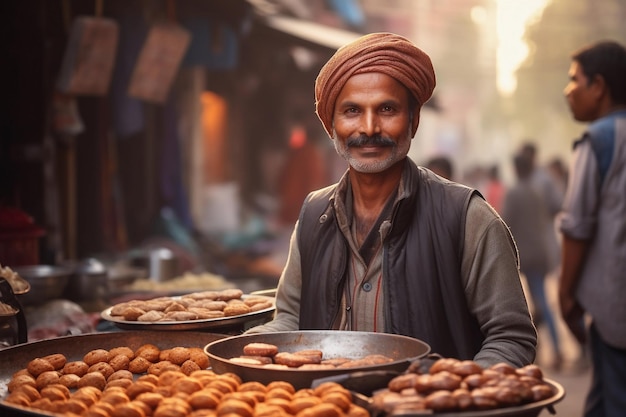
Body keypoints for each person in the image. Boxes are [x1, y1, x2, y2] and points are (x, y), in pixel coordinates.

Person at [247, 32, 537, 368]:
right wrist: (236, 349)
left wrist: (448, 393)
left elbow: (511, 338)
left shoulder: (467, 219)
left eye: (387, 109)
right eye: (352, 111)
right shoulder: (314, 216)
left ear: (413, 120)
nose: (369, 128)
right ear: (331, 125)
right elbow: (289, 323)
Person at [558, 40, 626, 417]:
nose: (569, 91)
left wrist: (566, 297)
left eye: (574, 80)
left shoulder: (598, 140)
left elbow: (577, 226)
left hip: (615, 310)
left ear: (598, 86)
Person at [502, 153, 563, 370]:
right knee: (539, 302)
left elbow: (503, 222)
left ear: (516, 169)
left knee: (541, 303)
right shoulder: (537, 190)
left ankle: (555, 349)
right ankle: (546, 348)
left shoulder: (515, 192)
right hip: (542, 252)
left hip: (528, 254)